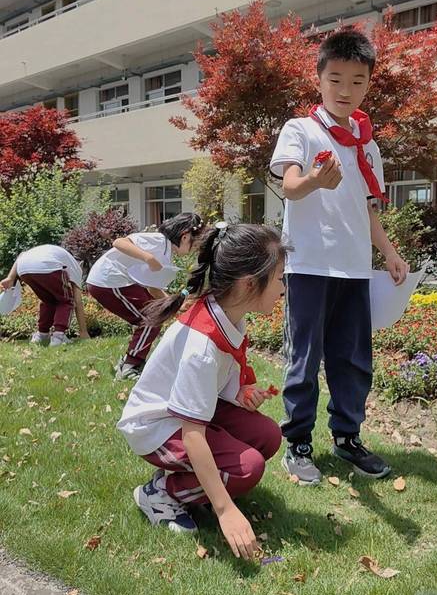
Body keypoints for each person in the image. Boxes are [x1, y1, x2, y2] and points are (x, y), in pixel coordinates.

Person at [270, 29, 409, 485]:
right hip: (309, 264)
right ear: (319, 79)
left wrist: (388, 252)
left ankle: (348, 438)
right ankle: (298, 443)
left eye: (357, 81)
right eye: (336, 79)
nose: (345, 90)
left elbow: (366, 209)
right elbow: (290, 185)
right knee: (304, 358)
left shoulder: (368, 145)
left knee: (352, 360)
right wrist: (314, 181)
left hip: (353, 269)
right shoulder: (300, 130)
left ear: (369, 83)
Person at [117, 222, 285, 559]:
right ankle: (161, 492)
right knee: (247, 468)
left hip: (187, 414)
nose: (284, 287)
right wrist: (225, 510)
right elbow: (193, 434)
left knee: (267, 435)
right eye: (280, 278)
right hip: (158, 427)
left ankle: (195, 484)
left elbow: (216, 381)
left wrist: (238, 393)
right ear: (250, 283)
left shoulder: (228, 314)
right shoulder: (202, 345)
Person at [86, 213, 204, 379]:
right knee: (151, 319)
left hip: (117, 283)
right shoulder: (158, 241)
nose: (194, 250)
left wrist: (172, 304)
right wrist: (147, 257)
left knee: (156, 313)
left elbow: (154, 289)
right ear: (185, 237)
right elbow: (119, 242)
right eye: (195, 245)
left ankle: (130, 362)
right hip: (108, 282)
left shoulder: (166, 254)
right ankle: (130, 367)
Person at [0, 243, 88, 345]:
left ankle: (42, 334)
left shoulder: (54, 252)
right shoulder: (75, 266)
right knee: (66, 301)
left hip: (23, 269)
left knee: (48, 301)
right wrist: (83, 332)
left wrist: (10, 278)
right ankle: (58, 337)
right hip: (47, 266)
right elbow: (77, 301)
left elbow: (22, 255)